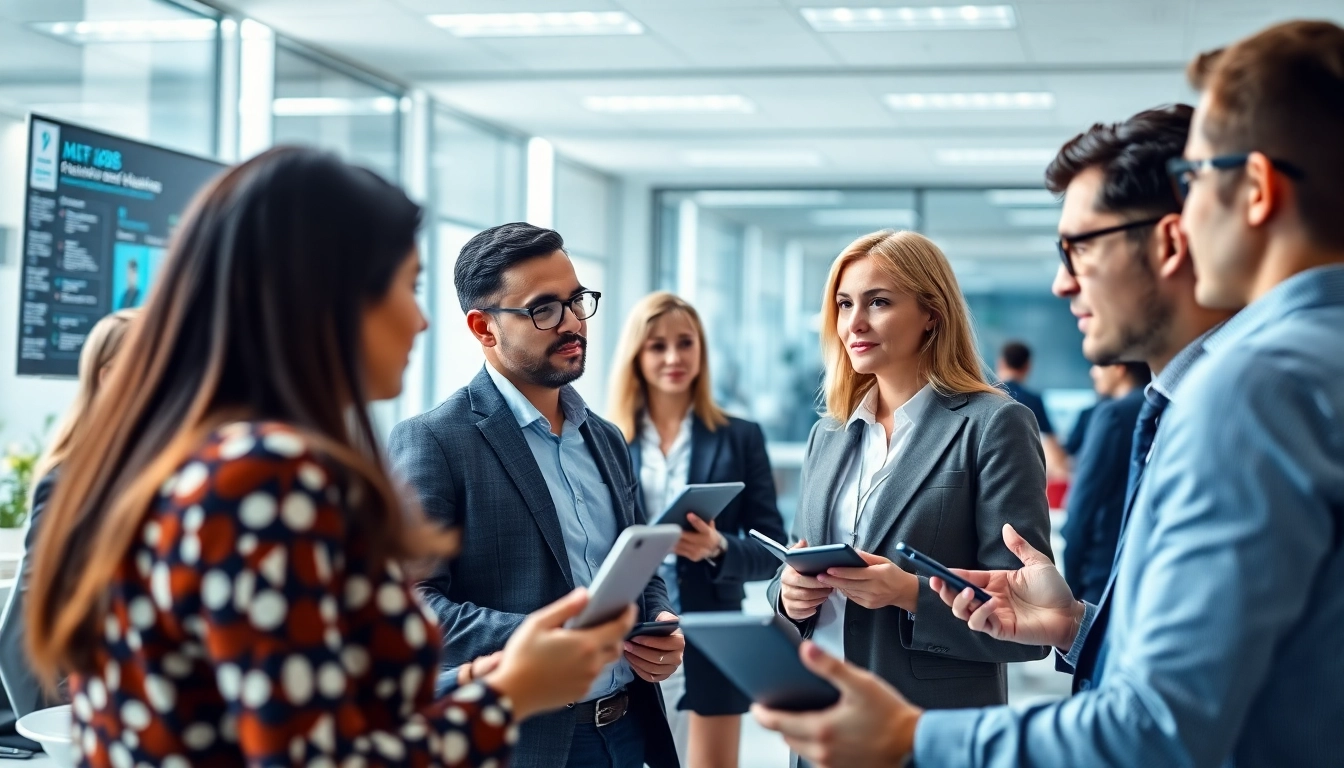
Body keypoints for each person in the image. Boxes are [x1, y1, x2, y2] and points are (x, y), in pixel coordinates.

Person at [751, 22, 1344, 767]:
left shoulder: (1254, 389)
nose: (1064, 281)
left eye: (1196, 184)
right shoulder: (1280, 374)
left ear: (1252, 190)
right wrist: (1076, 626)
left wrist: (911, 737)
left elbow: (1160, 727)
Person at [25, 148, 638, 767]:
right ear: (325, 302)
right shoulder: (261, 476)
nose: (421, 320)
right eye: (406, 287)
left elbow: (306, 711)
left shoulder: (201, 460)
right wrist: (511, 693)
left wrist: (496, 671)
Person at [388, 223, 682, 768]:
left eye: (576, 301)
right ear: (484, 328)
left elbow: (638, 564)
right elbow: (412, 606)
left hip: (631, 729)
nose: (572, 323)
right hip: (528, 743)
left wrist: (658, 622)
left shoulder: (605, 436)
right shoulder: (434, 440)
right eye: (544, 309)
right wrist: (545, 637)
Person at [766, 230, 1052, 731]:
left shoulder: (993, 424)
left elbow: (1026, 622)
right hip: (822, 714)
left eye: (878, 302)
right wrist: (787, 594)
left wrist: (909, 593)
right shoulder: (827, 434)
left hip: (929, 726)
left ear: (932, 314)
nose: (854, 322)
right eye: (843, 303)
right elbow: (795, 556)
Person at [607, 291, 788, 768]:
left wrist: (716, 547)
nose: (673, 357)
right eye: (657, 346)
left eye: (685, 343)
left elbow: (773, 550)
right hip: (633, 635)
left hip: (713, 637)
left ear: (701, 351)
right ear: (636, 356)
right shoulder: (604, 440)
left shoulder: (739, 435)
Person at [0, 309, 138, 749]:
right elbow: (25, 629)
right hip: (54, 728)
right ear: (109, 375)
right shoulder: (71, 482)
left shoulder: (135, 472)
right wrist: (60, 736)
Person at [1060, 363, 1149, 603]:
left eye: (1099, 365)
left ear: (1120, 367)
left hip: (1103, 576)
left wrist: (1071, 587)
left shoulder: (1113, 414)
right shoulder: (1169, 408)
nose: (1093, 372)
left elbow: (1081, 508)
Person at [995, 341, 1068, 478]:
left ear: (1001, 363)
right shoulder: (1033, 400)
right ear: (1027, 366)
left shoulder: (987, 396)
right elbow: (1052, 443)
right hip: (1022, 472)